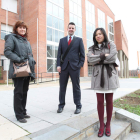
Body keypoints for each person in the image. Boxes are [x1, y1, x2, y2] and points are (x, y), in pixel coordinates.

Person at [87, 28, 119, 137]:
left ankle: (108, 124)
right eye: (96, 35)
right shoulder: (92, 48)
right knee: (100, 101)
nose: (98, 36)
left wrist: (98, 59)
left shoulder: (111, 45)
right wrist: (104, 56)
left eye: (100, 34)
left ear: (104, 34)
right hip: (98, 76)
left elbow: (113, 57)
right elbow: (90, 60)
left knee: (109, 100)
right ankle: (102, 125)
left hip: (110, 76)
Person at [4, 21, 36, 123]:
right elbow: (7, 51)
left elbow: (30, 55)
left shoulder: (26, 41)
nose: (22, 29)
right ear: (16, 29)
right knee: (18, 92)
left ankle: (23, 111)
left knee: (24, 92)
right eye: (20, 27)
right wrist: (19, 59)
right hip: (18, 69)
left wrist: (32, 61)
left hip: (27, 69)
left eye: (24, 28)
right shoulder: (12, 38)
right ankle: (18, 115)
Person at [57, 22, 85, 114]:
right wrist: (58, 65)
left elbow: (82, 55)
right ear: (67, 29)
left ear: (75, 29)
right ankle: (61, 105)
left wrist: (80, 65)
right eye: (70, 28)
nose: (71, 29)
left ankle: (78, 106)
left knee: (76, 87)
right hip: (64, 68)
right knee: (62, 87)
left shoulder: (79, 40)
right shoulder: (62, 40)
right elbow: (58, 55)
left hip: (74, 67)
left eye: (73, 28)